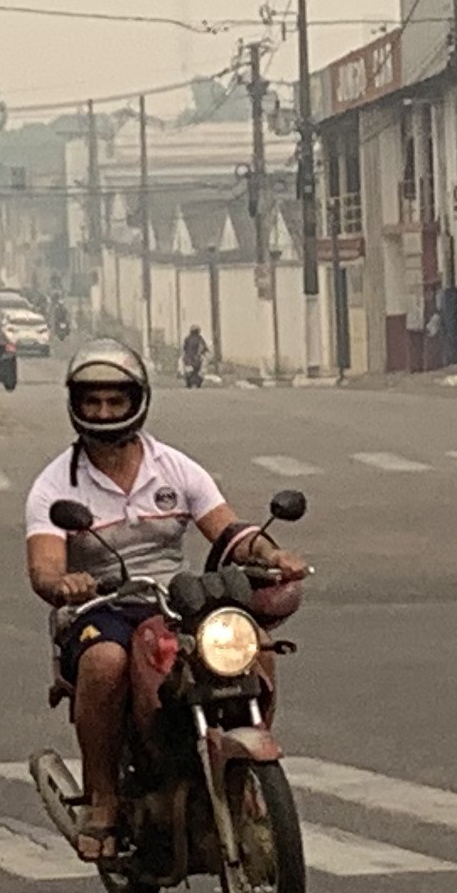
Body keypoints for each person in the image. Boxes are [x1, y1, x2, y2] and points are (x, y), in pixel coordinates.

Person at [22, 346, 302, 866]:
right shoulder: (55, 485)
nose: (104, 411)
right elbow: (43, 566)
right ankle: (103, 798)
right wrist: (64, 584)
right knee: (106, 664)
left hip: (171, 599)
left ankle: (240, 768)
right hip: (98, 608)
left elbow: (228, 529)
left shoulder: (174, 467)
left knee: (251, 646)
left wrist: (269, 553)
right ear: (76, 405)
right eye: (93, 401)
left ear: (137, 400)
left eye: (114, 400)